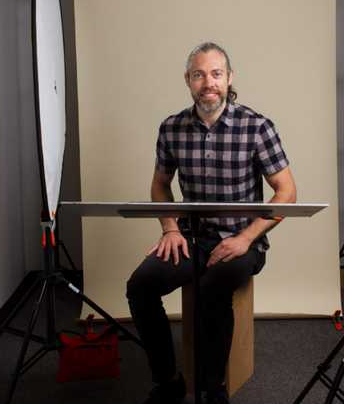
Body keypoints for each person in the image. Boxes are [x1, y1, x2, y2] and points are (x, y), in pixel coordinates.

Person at [126, 42, 297, 404]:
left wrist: (247, 238)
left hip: (242, 240)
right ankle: (168, 381)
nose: (209, 82)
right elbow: (160, 183)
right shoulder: (171, 128)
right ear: (188, 80)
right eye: (200, 74)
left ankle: (213, 387)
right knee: (140, 286)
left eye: (216, 74)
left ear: (229, 78)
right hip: (189, 237)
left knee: (214, 285)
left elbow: (287, 192)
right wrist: (170, 228)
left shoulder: (257, 126)